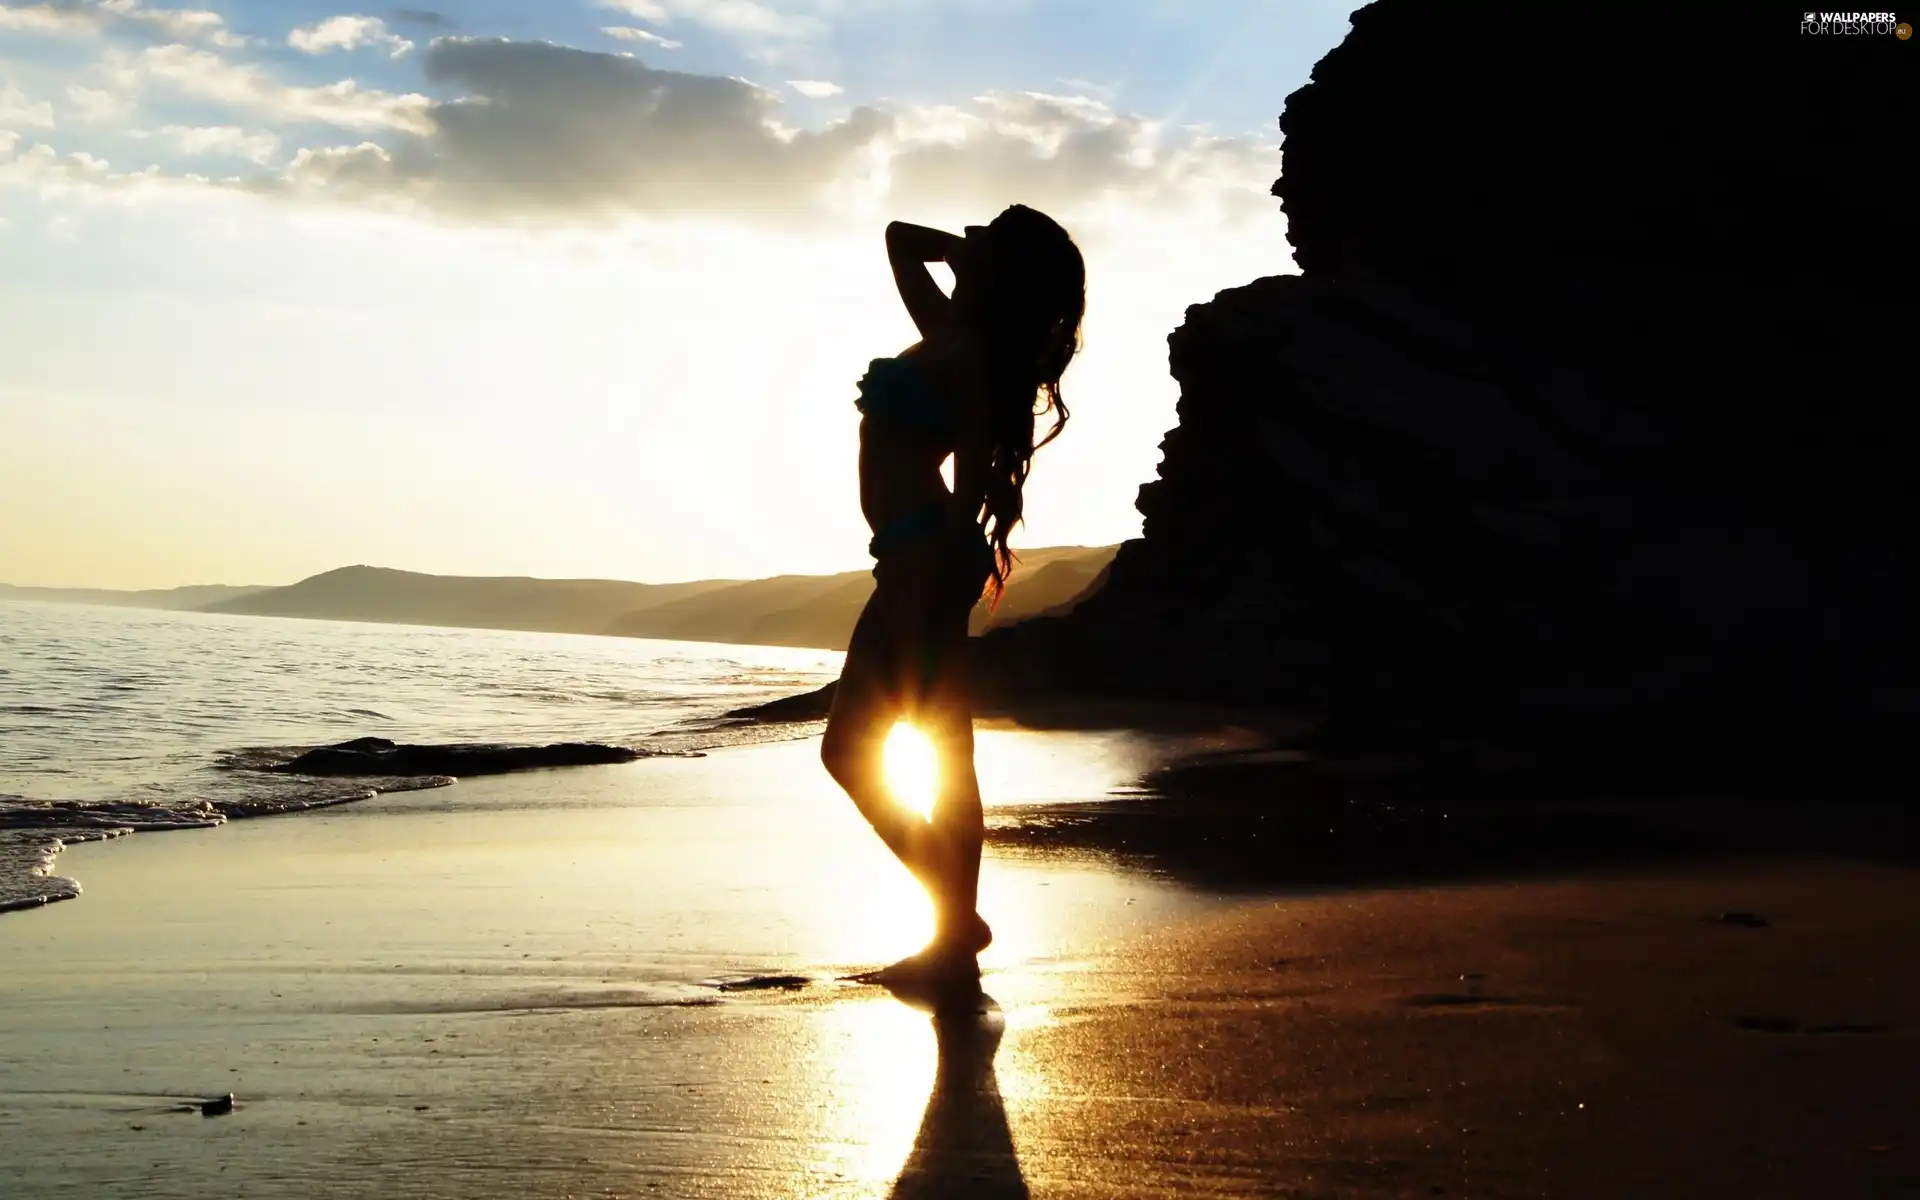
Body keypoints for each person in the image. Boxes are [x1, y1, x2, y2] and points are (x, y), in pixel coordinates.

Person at [820, 205, 1086, 978]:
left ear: (1003, 271)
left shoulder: (972, 356)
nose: (969, 234)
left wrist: (954, 559)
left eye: (987, 235)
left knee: (909, 746)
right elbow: (900, 238)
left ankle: (954, 929)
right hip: (907, 557)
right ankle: (956, 926)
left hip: (927, 559)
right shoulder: (952, 334)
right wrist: (977, 254)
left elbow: (971, 468)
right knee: (880, 748)